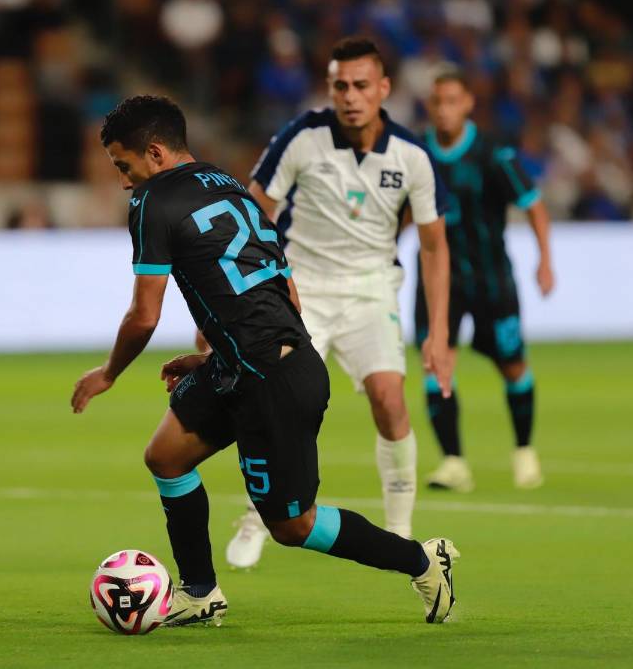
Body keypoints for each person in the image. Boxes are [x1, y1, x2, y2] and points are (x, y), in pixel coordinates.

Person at [70, 95, 459, 627]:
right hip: (252, 363)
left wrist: (109, 373)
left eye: (124, 165)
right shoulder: (230, 187)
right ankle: (200, 592)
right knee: (166, 457)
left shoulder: (152, 200)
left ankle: (423, 560)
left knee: (293, 527)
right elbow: (283, 290)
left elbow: (144, 316)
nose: (122, 181)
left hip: (271, 379)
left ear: (155, 154)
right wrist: (215, 355)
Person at [225, 36, 454, 570]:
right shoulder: (301, 137)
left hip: (371, 288)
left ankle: (400, 530)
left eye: (361, 85)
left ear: (384, 88)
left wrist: (439, 331)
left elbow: (435, 247)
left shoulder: (412, 157)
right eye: (340, 86)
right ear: (329, 88)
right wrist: (244, 298)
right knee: (281, 406)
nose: (350, 96)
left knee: (390, 401)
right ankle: (259, 516)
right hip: (300, 287)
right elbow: (254, 213)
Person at [416, 71, 555, 492]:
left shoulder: (493, 153)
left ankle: (524, 450)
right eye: (437, 101)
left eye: (452, 100)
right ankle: (453, 462)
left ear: (468, 104)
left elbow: (533, 204)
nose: (444, 110)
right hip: (439, 279)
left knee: (512, 364)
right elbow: (404, 209)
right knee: (437, 362)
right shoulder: (416, 153)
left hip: (491, 277)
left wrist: (545, 260)